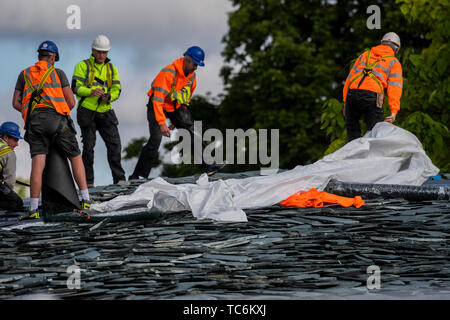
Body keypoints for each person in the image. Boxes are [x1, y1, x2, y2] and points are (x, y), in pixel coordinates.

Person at [12, 40, 93, 219]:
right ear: (54, 57)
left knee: (38, 164)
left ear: (38, 56)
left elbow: (16, 103)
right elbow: (71, 102)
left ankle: (33, 209)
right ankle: (86, 199)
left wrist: (29, 111)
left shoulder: (23, 74)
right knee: (75, 156)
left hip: (35, 123)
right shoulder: (58, 73)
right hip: (57, 121)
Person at [129, 46, 226, 180]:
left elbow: (185, 99)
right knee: (155, 140)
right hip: (156, 106)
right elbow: (157, 101)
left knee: (190, 131)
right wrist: (162, 123)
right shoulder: (168, 73)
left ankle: (209, 165)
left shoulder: (192, 78)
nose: (196, 68)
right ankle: (137, 176)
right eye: (195, 64)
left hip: (175, 107)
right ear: (186, 60)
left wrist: (177, 120)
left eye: (198, 65)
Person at [72, 35, 126, 186]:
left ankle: (120, 179)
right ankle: (88, 183)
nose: (102, 55)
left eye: (105, 52)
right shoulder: (82, 66)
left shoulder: (111, 68)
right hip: (87, 111)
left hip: (105, 110)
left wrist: (109, 96)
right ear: (93, 50)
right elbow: (75, 87)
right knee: (88, 148)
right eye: (99, 52)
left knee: (115, 145)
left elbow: (117, 89)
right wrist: (90, 91)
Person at [343, 32, 403, 142]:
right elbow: (395, 88)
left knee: (352, 132)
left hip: (352, 95)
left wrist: (345, 102)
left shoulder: (365, 55)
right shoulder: (394, 62)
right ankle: (372, 158)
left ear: (382, 43)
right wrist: (394, 111)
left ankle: (353, 157)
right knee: (376, 133)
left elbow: (349, 79)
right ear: (396, 49)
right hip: (372, 96)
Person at [0, 122, 24, 211]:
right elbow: (9, 182)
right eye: (15, 140)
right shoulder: (8, 152)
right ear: (6, 138)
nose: (17, 144)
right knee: (16, 203)